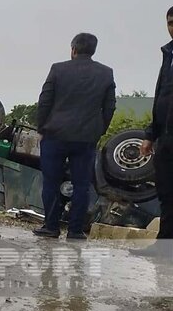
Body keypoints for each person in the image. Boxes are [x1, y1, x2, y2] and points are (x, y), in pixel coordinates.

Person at [34, 33, 116, 240]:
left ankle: (51, 227)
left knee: (51, 182)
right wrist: (99, 130)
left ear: (73, 49)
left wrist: (41, 127)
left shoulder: (58, 69)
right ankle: (75, 231)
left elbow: (45, 100)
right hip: (86, 138)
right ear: (94, 50)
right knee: (82, 184)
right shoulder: (106, 73)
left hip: (55, 134)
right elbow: (109, 107)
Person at [135, 6, 173, 256]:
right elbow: (161, 96)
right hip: (167, 138)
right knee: (166, 193)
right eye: (170, 22)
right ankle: (164, 247)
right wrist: (151, 134)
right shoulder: (168, 54)